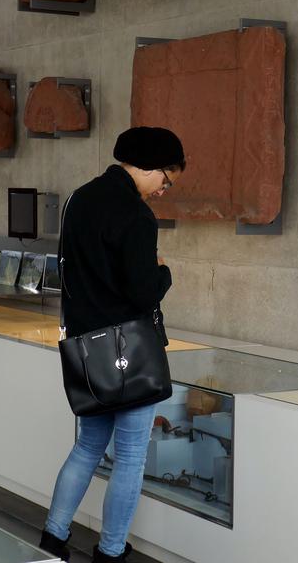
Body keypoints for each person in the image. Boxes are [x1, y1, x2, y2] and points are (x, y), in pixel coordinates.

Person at [40, 127, 185, 562]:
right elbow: (142, 292)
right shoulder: (136, 216)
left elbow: (69, 272)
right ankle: (111, 551)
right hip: (130, 351)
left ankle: (53, 537)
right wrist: (164, 272)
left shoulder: (78, 200)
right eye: (167, 179)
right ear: (149, 164)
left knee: (86, 446)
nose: (163, 190)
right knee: (130, 457)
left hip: (87, 349)